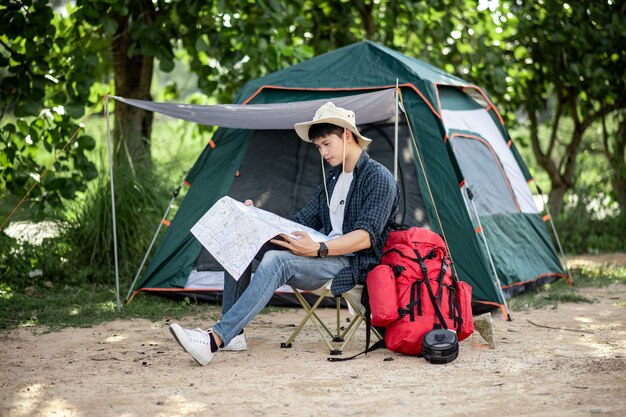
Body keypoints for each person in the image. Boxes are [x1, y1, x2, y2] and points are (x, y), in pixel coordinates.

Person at [169, 102, 399, 365]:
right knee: (241, 234)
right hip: (320, 253)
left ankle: (215, 338)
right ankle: (234, 336)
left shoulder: (378, 177)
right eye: (318, 147)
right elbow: (300, 222)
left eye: (327, 144)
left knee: (275, 260)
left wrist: (318, 249)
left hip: (351, 262)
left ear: (347, 135)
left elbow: (366, 237)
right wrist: (257, 219)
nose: (323, 152)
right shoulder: (333, 179)